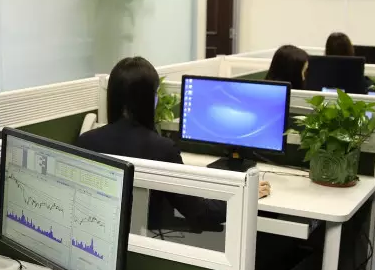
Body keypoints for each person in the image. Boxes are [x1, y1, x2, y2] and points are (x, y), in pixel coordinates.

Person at [76, 57, 270, 232]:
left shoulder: (86, 142)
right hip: (145, 246)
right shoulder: (162, 149)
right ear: (150, 100)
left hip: (96, 240)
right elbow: (200, 214)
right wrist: (246, 195)